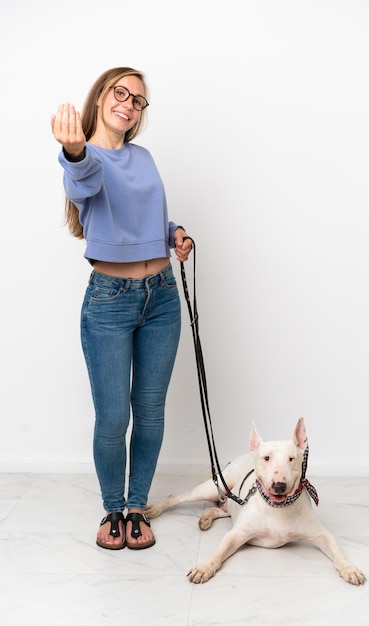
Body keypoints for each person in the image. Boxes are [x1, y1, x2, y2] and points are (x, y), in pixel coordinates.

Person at [51, 67, 193, 550]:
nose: (130, 105)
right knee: (113, 418)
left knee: (150, 411)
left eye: (139, 101)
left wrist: (173, 232)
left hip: (162, 296)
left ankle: (138, 506)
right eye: (121, 93)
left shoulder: (144, 156)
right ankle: (112, 508)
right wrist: (73, 151)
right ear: (100, 97)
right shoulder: (85, 158)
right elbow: (83, 182)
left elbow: (146, 214)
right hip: (110, 301)